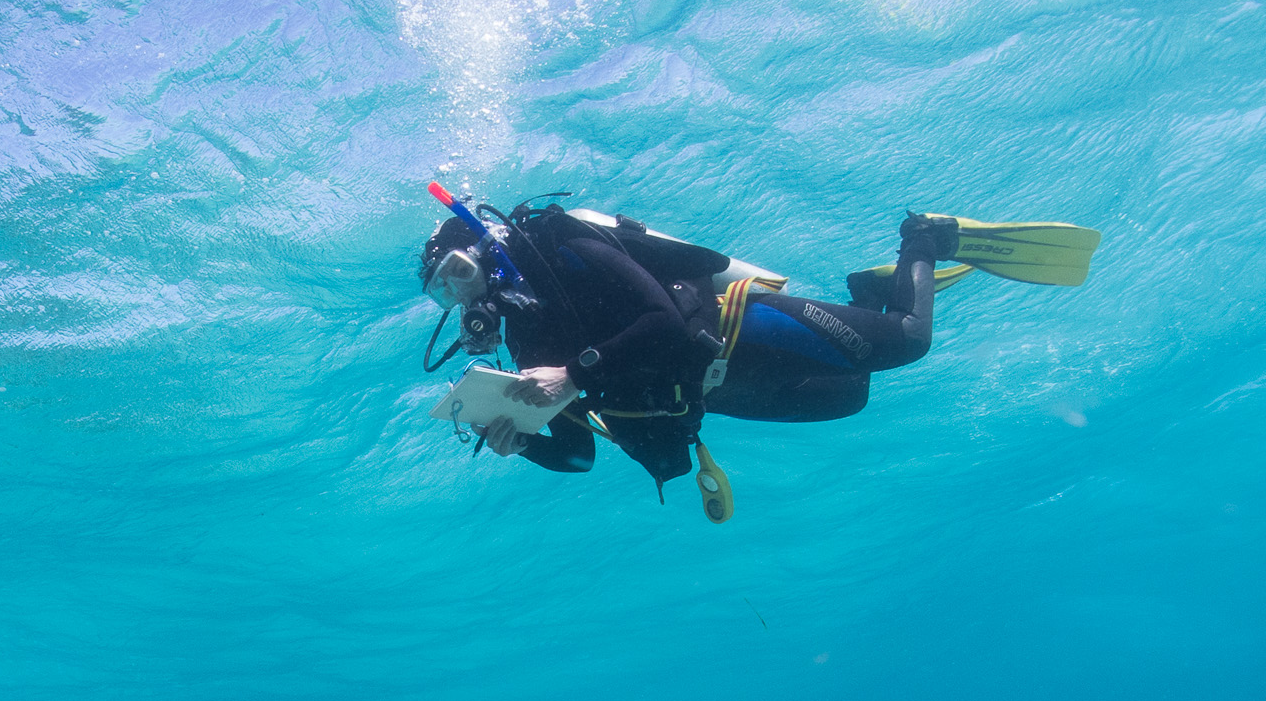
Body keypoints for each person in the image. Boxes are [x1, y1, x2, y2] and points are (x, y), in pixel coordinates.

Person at [417, 194, 1097, 509]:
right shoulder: (526, 338)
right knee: (850, 394)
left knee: (909, 343)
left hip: (733, 329)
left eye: (454, 268)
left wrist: (572, 374)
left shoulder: (560, 240)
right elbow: (580, 455)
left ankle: (923, 238)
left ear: (478, 241)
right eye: (443, 293)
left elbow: (663, 322)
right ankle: (868, 293)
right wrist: (522, 443)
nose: (460, 291)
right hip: (717, 392)